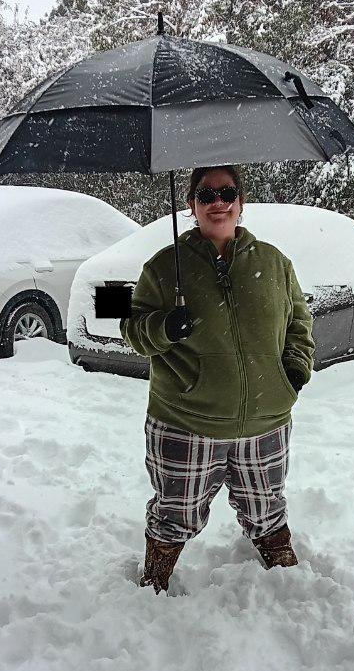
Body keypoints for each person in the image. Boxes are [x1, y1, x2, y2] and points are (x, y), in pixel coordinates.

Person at [119, 165, 315, 594]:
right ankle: (155, 577)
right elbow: (131, 330)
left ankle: (281, 562)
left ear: (241, 202)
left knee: (265, 505)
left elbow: (299, 322)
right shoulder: (164, 267)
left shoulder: (274, 262)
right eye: (206, 195)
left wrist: (294, 371)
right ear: (191, 205)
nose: (218, 203)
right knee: (176, 510)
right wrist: (165, 327)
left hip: (265, 419)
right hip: (187, 419)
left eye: (227, 193)